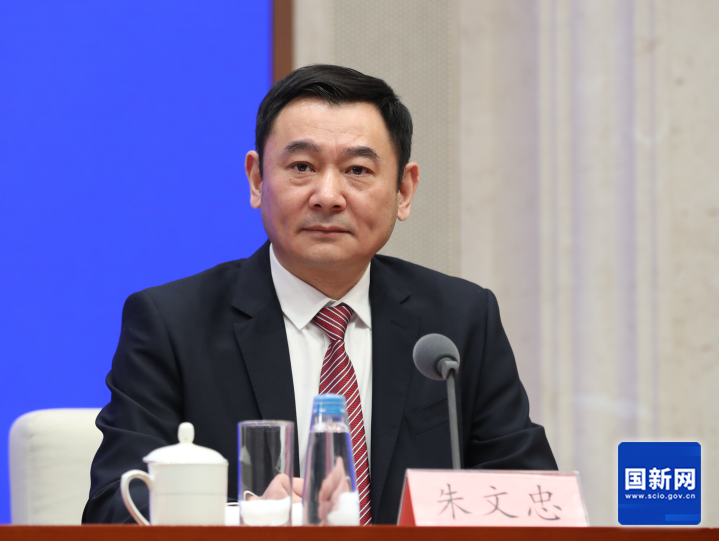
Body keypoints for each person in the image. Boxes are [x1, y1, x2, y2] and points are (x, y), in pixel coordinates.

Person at [83, 64, 557, 525]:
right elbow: (113, 512)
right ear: (256, 180)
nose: (328, 195)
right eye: (302, 167)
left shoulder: (459, 321)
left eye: (357, 170)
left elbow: (534, 501)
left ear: (404, 190)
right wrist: (247, 519)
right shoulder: (173, 325)